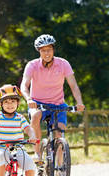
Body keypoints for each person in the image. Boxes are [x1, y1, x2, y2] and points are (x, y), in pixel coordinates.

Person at [20, 34, 85, 162]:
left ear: (53, 50)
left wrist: (79, 102)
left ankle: (60, 166)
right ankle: (37, 152)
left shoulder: (63, 64)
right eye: (43, 50)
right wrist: (29, 99)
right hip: (38, 103)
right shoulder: (32, 65)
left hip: (58, 104)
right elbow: (24, 85)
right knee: (35, 115)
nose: (46, 53)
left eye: (49, 49)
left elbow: (74, 85)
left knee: (59, 133)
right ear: (39, 51)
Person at [0, 84, 37, 176]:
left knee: (30, 164)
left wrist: (32, 136)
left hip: (18, 148)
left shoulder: (20, 117)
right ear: (1, 104)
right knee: (0, 157)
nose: (10, 105)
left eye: (13, 101)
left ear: (18, 103)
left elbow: (28, 129)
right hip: (1, 147)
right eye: (6, 102)